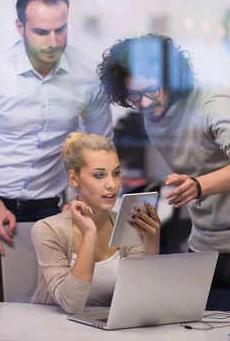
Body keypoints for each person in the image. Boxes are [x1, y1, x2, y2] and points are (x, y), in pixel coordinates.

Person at [0, 0, 113, 301]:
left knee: (45, 316)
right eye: (41, 32)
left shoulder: (86, 76)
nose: (53, 42)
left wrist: (89, 200)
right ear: (20, 26)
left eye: (60, 30)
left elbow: (99, 147)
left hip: (49, 213)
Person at [97, 34, 230, 299]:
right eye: (134, 95)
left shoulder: (214, 101)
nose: (145, 103)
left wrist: (198, 186)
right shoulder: (152, 116)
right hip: (203, 242)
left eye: (152, 90)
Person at [31, 132, 161, 314]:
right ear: (74, 178)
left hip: (109, 328)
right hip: (54, 330)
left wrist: (151, 240)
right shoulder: (48, 229)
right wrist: (89, 234)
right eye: (99, 175)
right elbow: (72, 304)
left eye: (116, 174)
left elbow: (141, 295)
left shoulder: (128, 223)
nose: (112, 184)